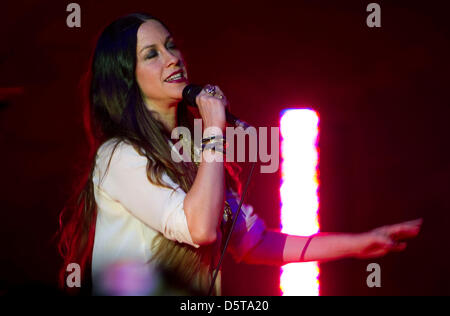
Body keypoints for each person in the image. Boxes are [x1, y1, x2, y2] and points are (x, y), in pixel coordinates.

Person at [57, 12, 423, 296]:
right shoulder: (119, 156)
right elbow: (199, 229)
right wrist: (214, 130)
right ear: (126, 78)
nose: (173, 59)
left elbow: (254, 241)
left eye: (171, 46)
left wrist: (359, 244)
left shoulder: (194, 150)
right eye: (152, 54)